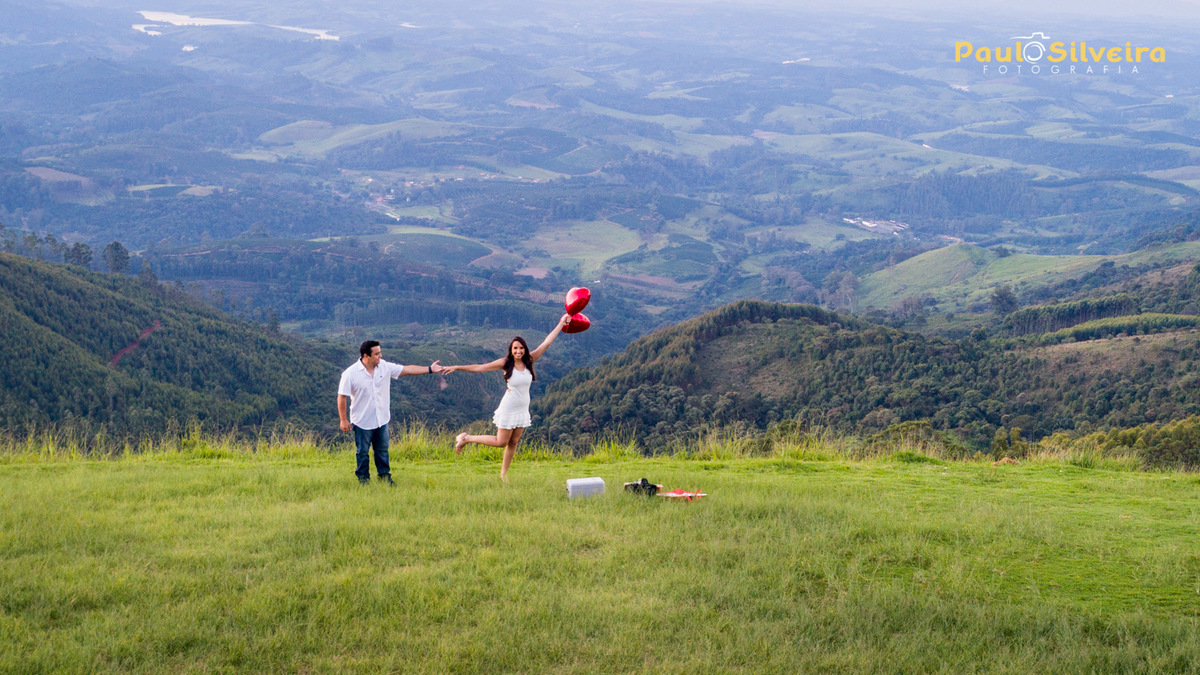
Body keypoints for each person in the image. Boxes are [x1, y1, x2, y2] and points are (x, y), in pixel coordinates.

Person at [445, 314, 571, 481]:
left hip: (522, 408)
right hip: (509, 407)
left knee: (513, 443)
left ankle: (504, 475)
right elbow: (479, 368)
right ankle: (466, 438)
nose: (518, 351)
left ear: (525, 349)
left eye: (521, 348)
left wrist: (561, 323)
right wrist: (457, 366)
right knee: (501, 442)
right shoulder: (505, 363)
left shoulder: (529, 361)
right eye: (515, 348)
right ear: (511, 351)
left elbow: (546, 343)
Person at [338, 340, 444, 485]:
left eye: (380, 352)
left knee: (382, 450)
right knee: (362, 452)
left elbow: (407, 370)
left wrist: (430, 369)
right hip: (362, 420)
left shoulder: (384, 367)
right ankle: (363, 479)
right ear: (365, 356)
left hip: (382, 419)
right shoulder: (350, 374)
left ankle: (384, 477)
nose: (380, 356)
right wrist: (343, 419)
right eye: (376, 354)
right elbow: (342, 396)